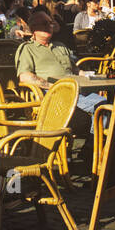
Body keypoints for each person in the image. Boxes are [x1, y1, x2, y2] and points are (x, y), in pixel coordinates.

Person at [16, 12, 106, 141]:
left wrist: (89, 76)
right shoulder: (27, 49)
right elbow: (25, 76)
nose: (49, 26)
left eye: (50, 23)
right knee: (101, 105)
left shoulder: (60, 46)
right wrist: (54, 87)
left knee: (107, 104)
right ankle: (93, 147)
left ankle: (91, 147)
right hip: (53, 94)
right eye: (44, 24)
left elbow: (74, 69)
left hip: (77, 89)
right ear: (33, 28)